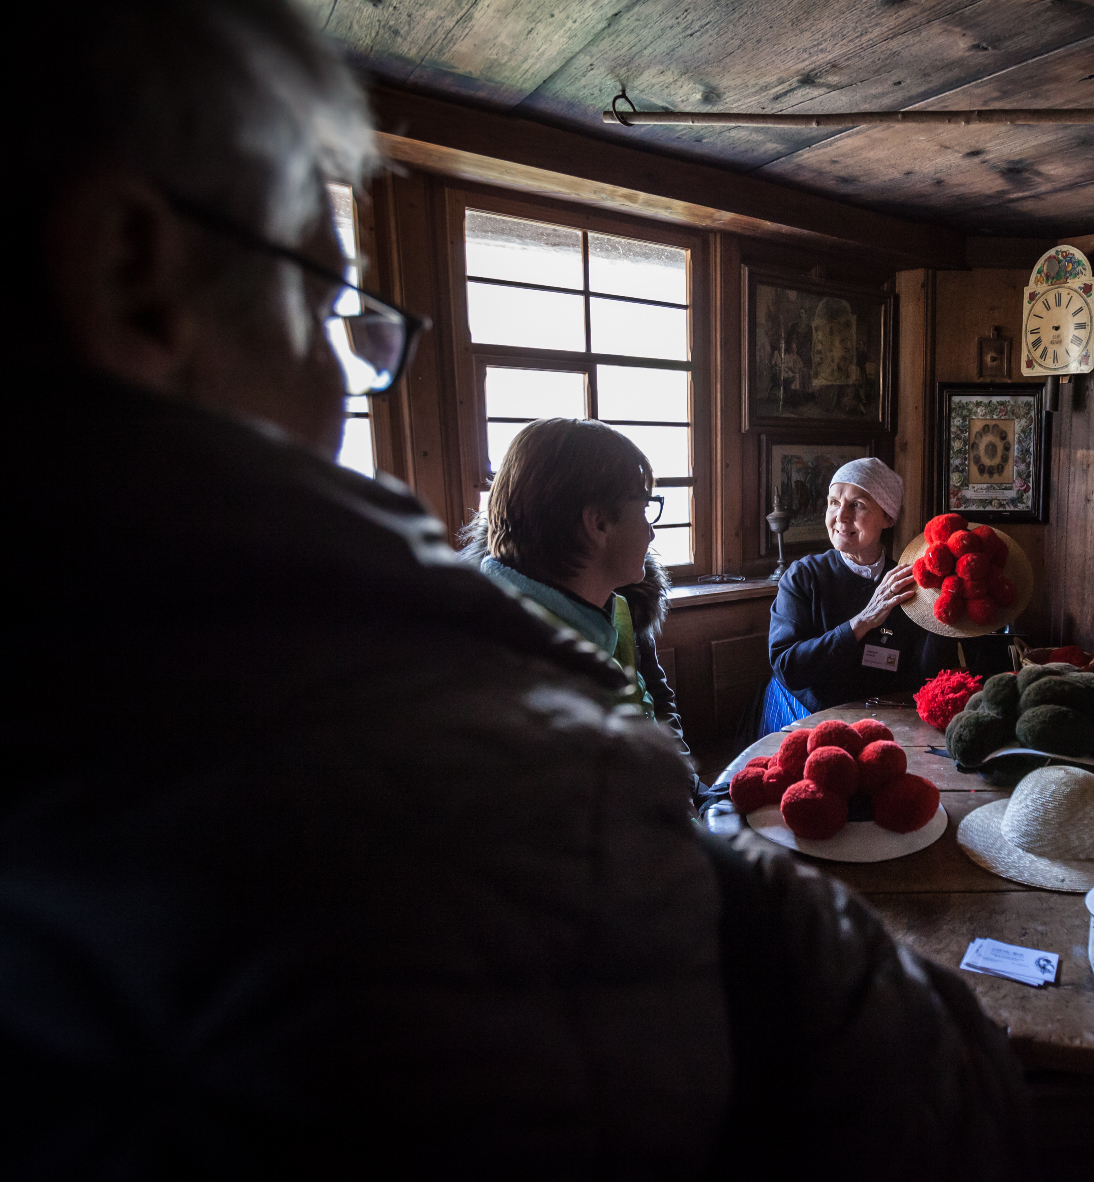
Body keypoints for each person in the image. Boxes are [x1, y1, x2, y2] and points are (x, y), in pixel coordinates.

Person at [4, 1, 1030, 1175]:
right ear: (133, 274)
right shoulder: (504, 760)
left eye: (868, 511)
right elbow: (929, 1104)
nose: (345, 389)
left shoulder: (595, 628)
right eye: (321, 300)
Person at [461, 417, 689, 758]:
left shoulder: (612, 608)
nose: (651, 532)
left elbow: (650, 706)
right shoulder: (499, 658)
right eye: (644, 509)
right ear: (597, 523)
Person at [765, 458, 953, 730]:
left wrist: (943, 617)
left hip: (888, 719)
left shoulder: (908, 584)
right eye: (833, 502)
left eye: (857, 505)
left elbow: (925, 676)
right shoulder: (803, 576)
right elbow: (787, 667)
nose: (840, 517)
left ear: (888, 517)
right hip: (808, 714)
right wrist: (862, 621)